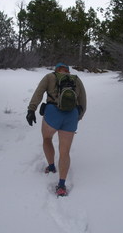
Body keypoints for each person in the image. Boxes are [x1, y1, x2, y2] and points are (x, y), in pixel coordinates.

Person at [26, 63, 87, 196]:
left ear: (56, 70)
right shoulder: (76, 79)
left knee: (47, 138)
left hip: (52, 113)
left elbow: (39, 93)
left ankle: (52, 166)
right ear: (68, 71)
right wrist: (78, 117)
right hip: (71, 115)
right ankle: (61, 185)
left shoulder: (50, 77)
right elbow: (83, 101)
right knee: (65, 151)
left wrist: (31, 109)